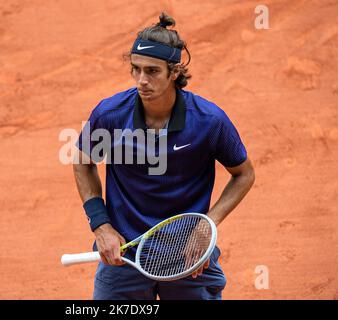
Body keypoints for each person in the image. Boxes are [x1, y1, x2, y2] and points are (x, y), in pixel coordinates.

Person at [73, 12, 255, 300]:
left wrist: (208, 225)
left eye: (153, 71)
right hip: (124, 255)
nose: (141, 80)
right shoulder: (110, 115)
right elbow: (83, 163)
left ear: (174, 72)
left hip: (186, 256)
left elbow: (244, 173)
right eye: (136, 69)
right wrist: (101, 225)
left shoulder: (209, 121)